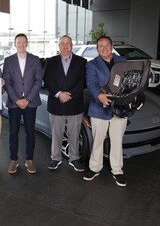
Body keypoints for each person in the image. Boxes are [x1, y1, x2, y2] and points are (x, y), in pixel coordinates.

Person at [83, 36, 128, 187]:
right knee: (97, 141)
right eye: (100, 46)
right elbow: (91, 84)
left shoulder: (122, 61)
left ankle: (117, 170)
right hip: (98, 108)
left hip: (119, 108)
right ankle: (95, 168)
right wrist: (98, 95)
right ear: (97, 49)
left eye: (106, 45)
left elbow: (129, 81)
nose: (103, 48)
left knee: (117, 141)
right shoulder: (92, 64)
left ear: (111, 46)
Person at [43, 35, 87, 172]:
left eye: (68, 43)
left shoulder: (82, 61)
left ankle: (74, 159)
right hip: (56, 103)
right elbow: (47, 80)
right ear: (59, 46)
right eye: (62, 43)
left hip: (74, 103)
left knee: (74, 134)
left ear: (72, 45)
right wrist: (59, 94)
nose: (65, 46)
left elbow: (83, 81)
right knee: (56, 134)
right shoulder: (50, 61)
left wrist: (70, 94)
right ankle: (55, 158)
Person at [2, 33, 43, 174]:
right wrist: (17, 100)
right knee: (13, 133)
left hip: (30, 103)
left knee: (30, 132)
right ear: (15, 44)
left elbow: (38, 81)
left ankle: (29, 160)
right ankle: (13, 160)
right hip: (14, 104)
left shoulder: (35, 60)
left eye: (24, 42)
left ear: (27, 43)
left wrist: (28, 99)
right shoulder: (8, 60)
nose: (21, 44)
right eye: (19, 42)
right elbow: (6, 82)